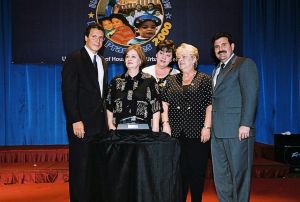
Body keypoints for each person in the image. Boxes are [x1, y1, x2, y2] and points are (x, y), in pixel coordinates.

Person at [61, 23, 108, 202]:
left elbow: (100, 94)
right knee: (81, 168)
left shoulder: (103, 61)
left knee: (96, 167)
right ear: (86, 38)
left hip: (100, 125)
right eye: (94, 36)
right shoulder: (74, 58)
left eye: (101, 38)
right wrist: (75, 119)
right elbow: (68, 92)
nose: (98, 40)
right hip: (81, 124)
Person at [210, 32, 259, 202]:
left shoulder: (244, 64)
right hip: (217, 132)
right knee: (222, 177)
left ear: (232, 46)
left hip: (237, 130)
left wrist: (245, 124)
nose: (220, 49)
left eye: (224, 45)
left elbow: (250, 95)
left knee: (239, 177)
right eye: (216, 47)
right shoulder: (216, 69)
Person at [161, 43, 212, 202]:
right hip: (175, 133)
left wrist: (207, 127)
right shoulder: (171, 79)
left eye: (184, 57)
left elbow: (210, 105)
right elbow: (164, 103)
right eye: (178, 57)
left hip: (197, 132)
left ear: (194, 59)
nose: (180, 60)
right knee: (179, 172)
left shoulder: (205, 79)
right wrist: (165, 123)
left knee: (196, 171)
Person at [106, 44, 161, 132]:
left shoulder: (150, 80)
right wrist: (110, 125)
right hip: (119, 133)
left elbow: (156, 107)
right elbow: (109, 106)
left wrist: (155, 129)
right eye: (127, 56)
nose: (129, 59)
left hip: (144, 133)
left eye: (133, 56)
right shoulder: (116, 81)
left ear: (140, 60)